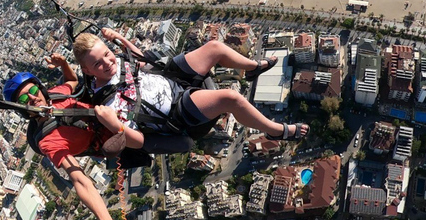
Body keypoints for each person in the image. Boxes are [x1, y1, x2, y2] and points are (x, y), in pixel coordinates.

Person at [3, 54, 136, 220]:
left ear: (40, 87)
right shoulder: (47, 141)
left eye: (32, 90)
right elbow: (80, 180)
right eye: (23, 99)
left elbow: (72, 82)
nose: (32, 97)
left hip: (113, 112)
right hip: (111, 138)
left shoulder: (55, 95)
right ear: (24, 110)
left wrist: (64, 64)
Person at [72, 28, 309, 141]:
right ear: (86, 70)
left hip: (168, 78)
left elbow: (142, 61)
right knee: (231, 98)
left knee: (215, 47)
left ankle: (252, 68)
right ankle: (276, 131)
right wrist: (117, 127)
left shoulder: (117, 61)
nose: (107, 62)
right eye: (97, 62)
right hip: (175, 111)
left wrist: (120, 40)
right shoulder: (108, 105)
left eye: (107, 54)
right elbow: (139, 142)